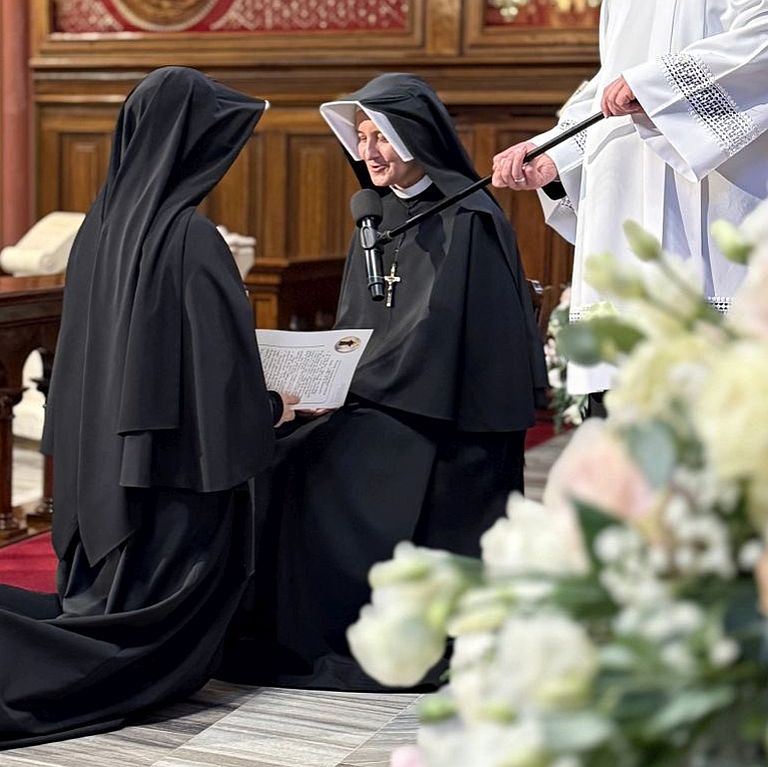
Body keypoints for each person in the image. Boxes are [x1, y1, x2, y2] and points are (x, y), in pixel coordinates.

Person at [0, 67, 297, 754]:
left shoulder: (99, 229)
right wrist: (270, 408)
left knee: (99, 604)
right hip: (169, 482)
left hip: (101, 475)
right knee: (144, 633)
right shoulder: (190, 239)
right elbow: (219, 379)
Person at [218, 74, 547, 692]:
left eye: (382, 137)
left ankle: (343, 632)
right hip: (381, 392)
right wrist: (323, 376)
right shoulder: (374, 217)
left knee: (312, 461)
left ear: (417, 137)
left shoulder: (469, 216)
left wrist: (357, 386)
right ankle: (285, 626)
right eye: (362, 138)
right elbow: (358, 324)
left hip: (440, 413)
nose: (368, 152)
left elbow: (447, 340)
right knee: (274, 447)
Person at [492, 0, 768, 398]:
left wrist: (660, 84)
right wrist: (555, 151)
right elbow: (611, 83)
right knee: (622, 403)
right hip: (625, 202)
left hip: (717, 196)